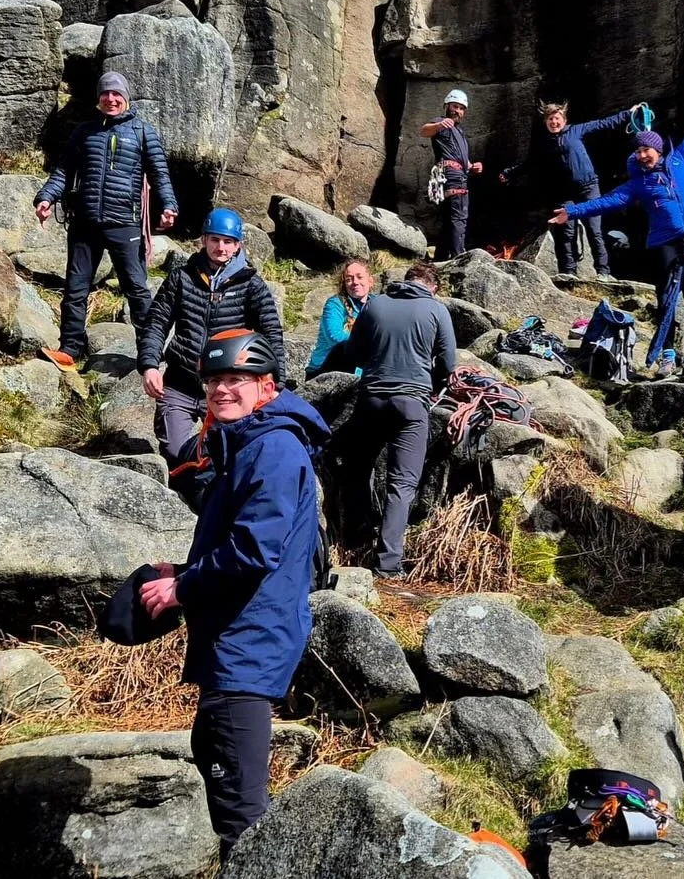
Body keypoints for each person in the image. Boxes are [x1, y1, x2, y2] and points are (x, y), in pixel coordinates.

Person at [139, 329, 329, 863]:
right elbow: (250, 541)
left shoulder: (270, 449)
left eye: (236, 380)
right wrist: (184, 568)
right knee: (216, 757)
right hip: (242, 641)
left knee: (241, 816)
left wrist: (182, 588)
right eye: (215, 380)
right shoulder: (256, 445)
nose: (223, 390)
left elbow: (251, 551)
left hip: (246, 645)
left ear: (266, 387)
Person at [550, 86, 684, 379]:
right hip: (664, 245)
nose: (643, 155)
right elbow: (606, 201)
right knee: (667, 299)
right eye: (639, 150)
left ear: (658, 150)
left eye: (647, 150)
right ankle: (668, 356)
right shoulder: (639, 184)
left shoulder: (681, 158)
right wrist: (572, 212)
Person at [32, 71, 178, 371]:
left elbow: (160, 175)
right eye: (105, 95)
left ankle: (149, 352)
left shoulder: (142, 132)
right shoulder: (84, 132)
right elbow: (62, 171)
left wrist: (168, 205)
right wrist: (46, 198)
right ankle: (70, 349)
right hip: (84, 223)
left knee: (136, 289)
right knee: (75, 288)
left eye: (116, 95)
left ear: (125, 98)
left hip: (124, 223)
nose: (111, 99)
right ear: (98, 99)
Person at [138, 207, 285, 463]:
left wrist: (277, 384)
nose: (221, 247)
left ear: (238, 245)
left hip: (225, 386)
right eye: (215, 239)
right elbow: (157, 322)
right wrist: (149, 365)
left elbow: (272, 333)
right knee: (176, 454)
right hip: (180, 383)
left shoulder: (251, 285)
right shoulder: (180, 278)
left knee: (224, 458)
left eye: (228, 241)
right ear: (203, 239)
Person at [343, 261, 457, 578]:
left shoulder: (375, 304)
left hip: (370, 399)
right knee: (402, 484)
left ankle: (355, 542)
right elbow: (448, 364)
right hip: (411, 404)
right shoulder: (436, 311)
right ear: (432, 287)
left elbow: (352, 355)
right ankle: (387, 564)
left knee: (358, 470)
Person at [499, 99, 641, 277]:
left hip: (588, 187)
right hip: (564, 192)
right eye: (550, 119)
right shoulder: (544, 144)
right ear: (546, 122)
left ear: (564, 120)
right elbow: (530, 163)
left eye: (557, 118)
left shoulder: (576, 130)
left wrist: (628, 114)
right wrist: (509, 173)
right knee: (566, 233)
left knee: (594, 230)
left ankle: (603, 272)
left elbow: (603, 124)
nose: (554, 122)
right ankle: (568, 272)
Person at [421, 89, 482, 260]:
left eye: (462, 108)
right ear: (447, 106)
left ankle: (440, 258)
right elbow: (424, 131)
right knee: (459, 218)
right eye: (455, 106)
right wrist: (439, 125)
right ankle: (458, 258)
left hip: (455, 175)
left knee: (449, 220)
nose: (458, 111)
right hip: (452, 176)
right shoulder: (441, 122)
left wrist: (472, 166)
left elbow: (460, 158)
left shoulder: (459, 132)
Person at [306, 258, 375, 379]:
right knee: (343, 347)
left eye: (360, 277)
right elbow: (335, 337)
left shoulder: (377, 304)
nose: (355, 282)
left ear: (370, 281)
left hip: (362, 371)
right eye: (349, 279)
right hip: (325, 369)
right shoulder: (335, 304)